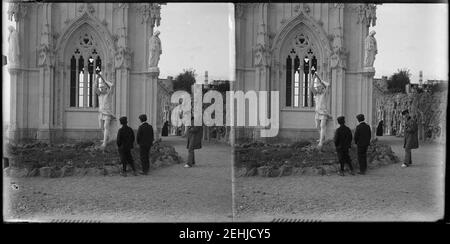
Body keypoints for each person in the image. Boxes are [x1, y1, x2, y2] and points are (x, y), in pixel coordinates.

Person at [309, 72, 331, 148]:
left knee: (322, 126)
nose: (317, 88)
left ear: (322, 88)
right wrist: (314, 78)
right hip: (317, 112)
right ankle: (322, 137)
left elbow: (328, 85)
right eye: (317, 88)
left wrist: (321, 80)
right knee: (317, 126)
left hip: (324, 113)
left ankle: (321, 142)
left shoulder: (325, 94)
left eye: (319, 87)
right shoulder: (316, 94)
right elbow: (311, 87)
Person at [94, 72, 115, 147]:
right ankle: (106, 138)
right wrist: (97, 78)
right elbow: (94, 87)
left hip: (107, 113)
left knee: (106, 127)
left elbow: (112, 85)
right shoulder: (100, 95)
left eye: (102, 88)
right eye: (101, 88)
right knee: (101, 127)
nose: (101, 89)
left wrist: (104, 79)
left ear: (106, 88)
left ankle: (105, 143)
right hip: (101, 113)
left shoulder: (108, 95)